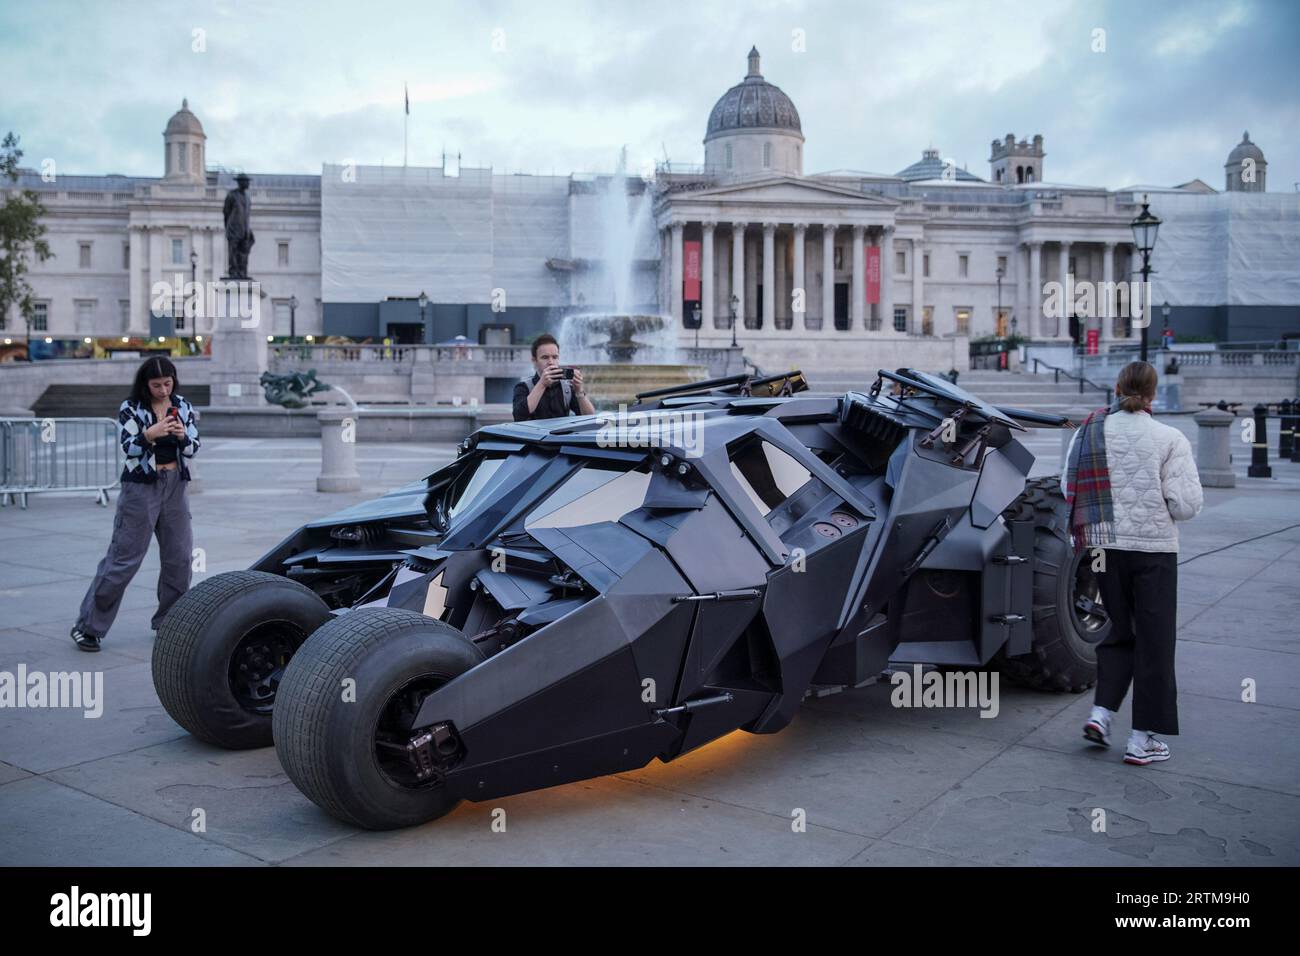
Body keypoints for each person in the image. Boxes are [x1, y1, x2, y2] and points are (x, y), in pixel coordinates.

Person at [1062, 361, 1203, 765]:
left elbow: (1067, 487)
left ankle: (1101, 714)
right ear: (1153, 394)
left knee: (1118, 631)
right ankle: (1142, 740)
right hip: (1153, 551)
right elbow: (1186, 504)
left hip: (1105, 548)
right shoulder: (1170, 437)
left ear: (1118, 387)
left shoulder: (1089, 430)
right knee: (1155, 642)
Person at [70, 356, 200, 651]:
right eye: (157, 385)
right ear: (145, 384)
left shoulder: (184, 407)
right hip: (141, 488)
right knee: (123, 559)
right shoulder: (132, 408)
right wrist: (148, 435)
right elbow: (128, 447)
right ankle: (88, 626)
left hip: (175, 486)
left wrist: (181, 437)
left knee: (179, 559)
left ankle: (169, 621)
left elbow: (193, 448)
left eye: (168, 383)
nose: (164, 390)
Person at [512, 333, 596, 421]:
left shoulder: (567, 388)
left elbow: (590, 418)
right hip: (534, 434)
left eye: (555, 357)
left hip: (560, 434)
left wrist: (579, 391)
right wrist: (542, 384)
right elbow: (519, 416)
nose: (551, 362)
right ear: (534, 361)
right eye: (545, 357)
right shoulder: (523, 387)